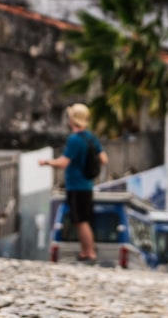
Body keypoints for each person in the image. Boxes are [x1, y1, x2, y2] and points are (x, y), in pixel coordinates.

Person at [38, 103, 108, 262]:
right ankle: (87, 251)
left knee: (80, 220)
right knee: (84, 219)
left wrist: (46, 162)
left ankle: (88, 252)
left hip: (76, 185)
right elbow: (104, 158)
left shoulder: (74, 139)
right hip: (88, 184)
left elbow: (63, 162)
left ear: (73, 119)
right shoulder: (91, 137)